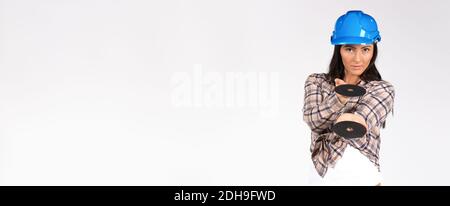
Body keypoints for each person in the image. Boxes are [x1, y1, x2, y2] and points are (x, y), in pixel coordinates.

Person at [302, 10, 395, 186]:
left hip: (363, 178)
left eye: (365, 49)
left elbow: (358, 122)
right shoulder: (317, 82)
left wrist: (339, 114)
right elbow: (313, 121)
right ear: (339, 49)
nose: (357, 58)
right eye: (350, 49)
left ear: (373, 50)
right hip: (321, 177)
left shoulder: (381, 89)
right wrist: (339, 99)